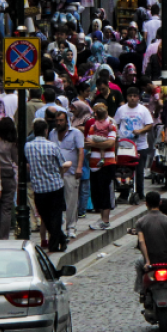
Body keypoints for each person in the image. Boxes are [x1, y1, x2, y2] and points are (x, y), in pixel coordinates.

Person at [26, 119, 72, 252]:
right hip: (55, 185)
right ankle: (60, 239)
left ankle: (58, 241)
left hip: (39, 187)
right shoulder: (52, 146)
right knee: (55, 215)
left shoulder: (28, 147)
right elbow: (61, 164)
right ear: (46, 131)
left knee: (44, 215)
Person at [133, 191, 167, 295]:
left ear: (146, 203)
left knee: (138, 263)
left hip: (151, 259)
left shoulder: (141, 222)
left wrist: (147, 261)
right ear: (160, 202)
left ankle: (141, 289)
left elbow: (141, 241)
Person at [113, 87, 154, 203]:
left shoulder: (143, 110)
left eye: (134, 96)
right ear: (127, 97)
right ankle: (124, 193)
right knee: (124, 170)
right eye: (130, 96)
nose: (132, 98)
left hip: (140, 145)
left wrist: (140, 131)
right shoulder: (121, 109)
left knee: (139, 171)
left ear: (138, 97)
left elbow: (149, 125)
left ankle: (140, 193)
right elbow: (115, 123)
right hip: (125, 146)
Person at [48, 111, 84, 241]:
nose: (58, 123)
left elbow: (80, 151)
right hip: (56, 173)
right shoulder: (52, 133)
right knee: (57, 203)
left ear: (66, 120)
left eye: (61, 120)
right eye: (57, 120)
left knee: (71, 201)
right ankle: (59, 227)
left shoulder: (76, 133)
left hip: (71, 172)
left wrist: (79, 167)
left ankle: (71, 228)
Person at [87, 103, 118, 230]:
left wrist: (96, 143)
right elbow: (87, 142)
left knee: (105, 191)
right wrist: (99, 143)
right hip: (94, 164)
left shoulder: (111, 125)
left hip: (107, 163)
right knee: (96, 192)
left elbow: (111, 142)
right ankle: (102, 218)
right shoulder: (93, 126)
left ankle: (105, 220)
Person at [0, 117, 18, 240]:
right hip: (8, 175)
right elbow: (16, 159)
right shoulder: (12, 144)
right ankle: (3, 236)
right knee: (6, 207)